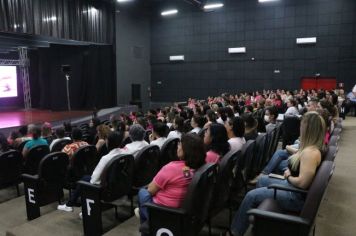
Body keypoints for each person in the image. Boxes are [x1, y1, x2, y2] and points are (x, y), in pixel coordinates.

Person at [230, 112, 326, 236]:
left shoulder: (310, 153)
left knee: (250, 195)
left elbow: (302, 183)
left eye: (302, 125)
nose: (299, 128)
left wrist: (289, 176)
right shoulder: (310, 149)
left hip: (294, 196)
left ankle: (234, 232)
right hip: (292, 189)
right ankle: (260, 221)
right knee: (262, 180)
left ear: (308, 129)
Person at [136, 133, 206, 224]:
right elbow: (186, 175)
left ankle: (147, 221)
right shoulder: (200, 166)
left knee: (143, 192)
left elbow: (150, 190)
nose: (178, 146)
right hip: (184, 210)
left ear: (186, 150)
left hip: (164, 212)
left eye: (180, 144)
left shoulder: (171, 168)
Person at [58, 131, 124, 212]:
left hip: (103, 187)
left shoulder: (106, 158)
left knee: (84, 179)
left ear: (109, 142)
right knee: (85, 177)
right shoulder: (124, 152)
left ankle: (70, 204)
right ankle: (70, 203)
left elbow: (94, 180)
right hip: (118, 184)